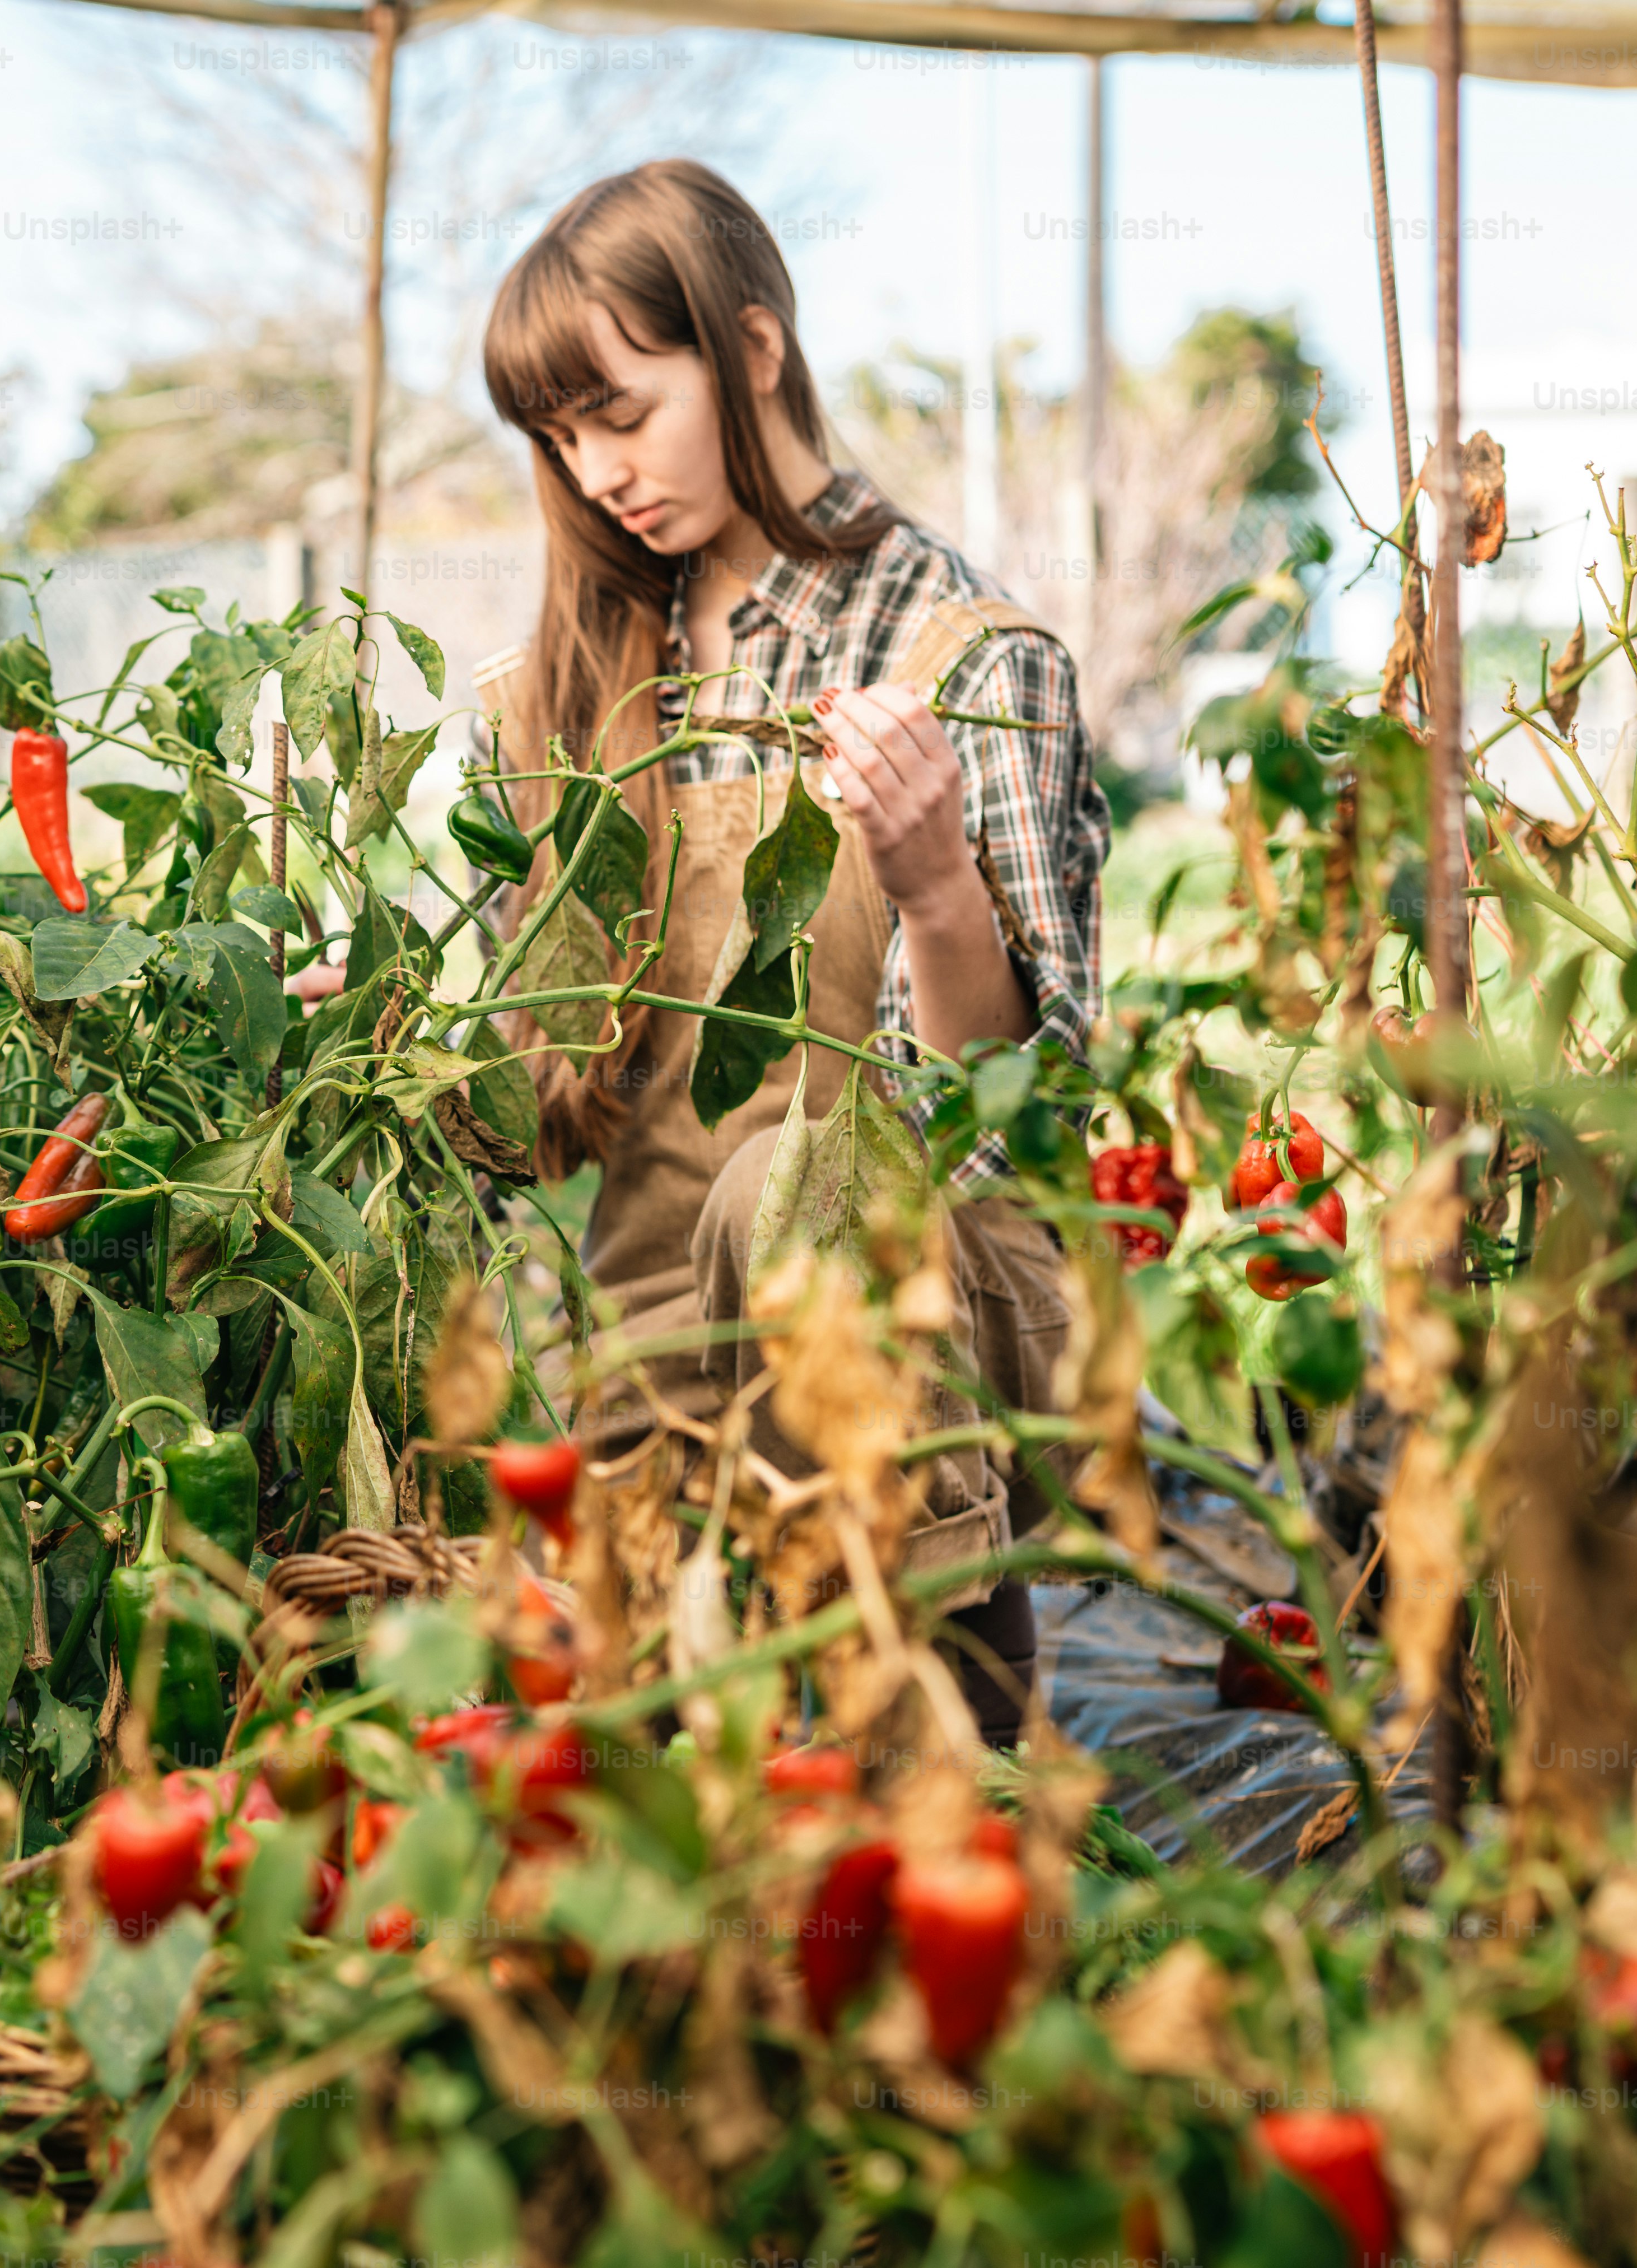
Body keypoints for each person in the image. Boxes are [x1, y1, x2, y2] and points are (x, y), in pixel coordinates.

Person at [474, 160, 1113, 1748]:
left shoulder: (961, 659)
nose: (594, 469)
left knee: (795, 1175)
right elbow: (541, 1109)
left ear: (751, 350)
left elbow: (1012, 1104)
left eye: (620, 411)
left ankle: (934, 1684)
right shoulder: (572, 683)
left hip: (929, 1339)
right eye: (559, 437)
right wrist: (396, 1040)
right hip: (661, 1357)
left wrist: (934, 887)